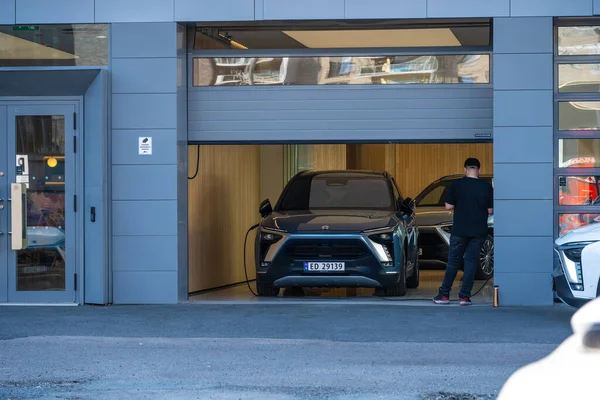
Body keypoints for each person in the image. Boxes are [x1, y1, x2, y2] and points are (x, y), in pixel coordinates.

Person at [433, 157, 493, 306]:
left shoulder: (456, 185)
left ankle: (444, 295)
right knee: (471, 262)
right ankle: (464, 297)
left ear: (465, 169)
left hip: (460, 230)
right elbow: (490, 210)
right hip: (478, 230)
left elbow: (448, 206)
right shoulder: (486, 187)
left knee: (453, 262)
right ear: (478, 170)